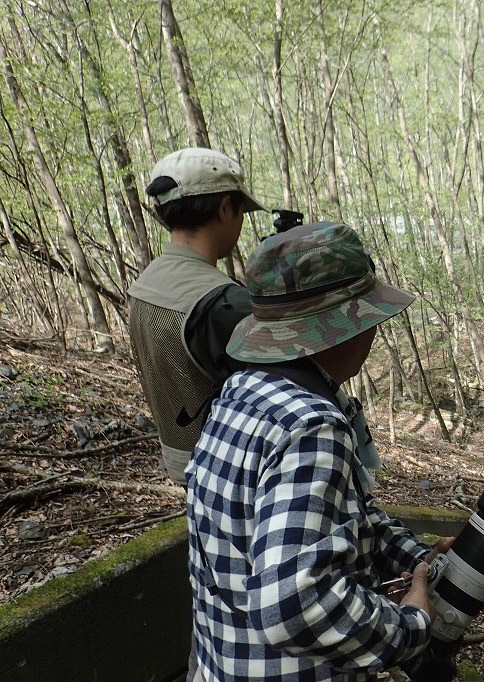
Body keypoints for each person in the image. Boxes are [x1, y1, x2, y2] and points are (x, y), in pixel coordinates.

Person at [186, 221, 448, 681]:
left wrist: (416, 558)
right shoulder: (312, 426)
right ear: (343, 327)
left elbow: (333, 521)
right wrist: (410, 626)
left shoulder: (243, 391)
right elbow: (293, 602)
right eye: (369, 319)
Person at [128, 147, 266, 485]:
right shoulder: (222, 302)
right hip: (232, 474)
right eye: (240, 210)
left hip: (184, 463)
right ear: (224, 208)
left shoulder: (145, 283)